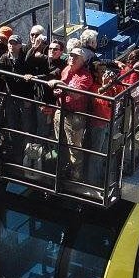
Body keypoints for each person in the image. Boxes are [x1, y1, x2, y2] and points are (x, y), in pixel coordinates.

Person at [49, 47, 93, 181]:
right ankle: (62, 168)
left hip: (75, 115)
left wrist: (59, 84)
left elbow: (76, 94)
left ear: (82, 61)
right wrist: (58, 91)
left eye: (75, 57)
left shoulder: (85, 76)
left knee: (74, 146)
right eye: (71, 56)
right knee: (59, 141)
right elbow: (64, 89)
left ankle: (76, 175)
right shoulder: (66, 70)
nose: (71, 59)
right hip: (61, 110)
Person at [0, 34, 33, 164]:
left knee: (26, 125)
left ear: (19, 45)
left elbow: (30, 77)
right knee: (12, 124)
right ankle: (16, 153)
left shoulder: (25, 59)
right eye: (10, 43)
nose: (11, 46)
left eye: (14, 43)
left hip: (23, 96)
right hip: (10, 97)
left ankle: (27, 154)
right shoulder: (4, 59)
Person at [88, 64, 124, 186]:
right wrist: (104, 85)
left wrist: (115, 82)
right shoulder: (94, 87)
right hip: (99, 124)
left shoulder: (110, 86)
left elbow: (120, 94)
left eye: (106, 71)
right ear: (96, 74)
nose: (105, 73)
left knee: (106, 153)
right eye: (102, 71)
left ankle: (102, 178)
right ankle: (93, 182)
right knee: (96, 154)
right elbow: (101, 103)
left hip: (110, 123)